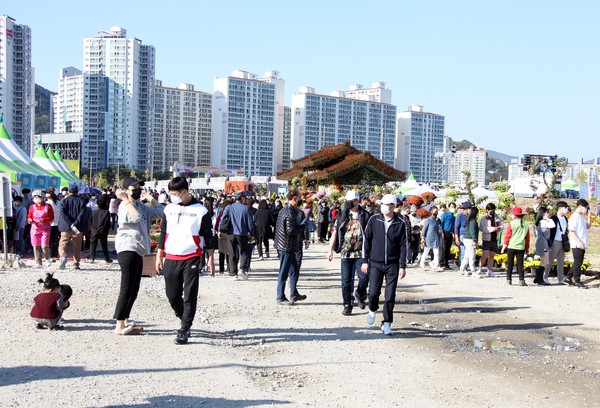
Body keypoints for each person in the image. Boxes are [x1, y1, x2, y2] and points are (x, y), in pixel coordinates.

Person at [155, 177, 212, 345]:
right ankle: (183, 316)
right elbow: (164, 232)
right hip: (172, 256)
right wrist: (159, 255)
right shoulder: (169, 209)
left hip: (192, 256)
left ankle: (185, 328)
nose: (172, 196)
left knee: (190, 295)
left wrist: (210, 259)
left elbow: (208, 236)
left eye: (175, 193)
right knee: (172, 295)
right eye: (171, 193)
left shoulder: (201, 211)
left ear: (185, 191)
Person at [113, 177, 163, 335]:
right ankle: (119, 325)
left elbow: (161, 213)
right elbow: (134, 218)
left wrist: (151, 199)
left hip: (138, 250)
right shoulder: (124, 206)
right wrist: (125, 199)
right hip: (127, 249)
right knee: (126, 288)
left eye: (138, 187)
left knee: (134, 289)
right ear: (126, 190)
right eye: (133, 187)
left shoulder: (141, 205)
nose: (137, 190)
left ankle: (126, 320)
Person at [362, 194, 407, 336]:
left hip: (392, 265)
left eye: (388, 204)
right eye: (383, 204)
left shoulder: (400, 223)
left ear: (394, 206)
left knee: (390, 295)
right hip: (375, 263)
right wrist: (364, 261)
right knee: (373, 292)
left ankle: (387, 322)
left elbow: (403, 246)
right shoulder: (374, 219)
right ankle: (372, 309)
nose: (384, 207)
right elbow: (366, 240)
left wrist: (402, 266)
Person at [328, 190, 371, 316]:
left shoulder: (366, 215)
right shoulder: (342, 215)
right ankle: (347, 304)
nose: (348, 203)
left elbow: (370, 235)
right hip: (346, 253)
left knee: (364, 277)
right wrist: (329, 250)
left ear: (357, 201)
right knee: (346, 280)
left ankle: (359, 293)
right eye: (347, 201)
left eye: (350, 201)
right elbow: (335, 232)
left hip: (360, 253)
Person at [274, 189, 305, 305]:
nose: (300, 199)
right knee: (284, 271)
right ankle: (280, 296)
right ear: (295, 198)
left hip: (286, 245)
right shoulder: (289, 212)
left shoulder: (284, 210)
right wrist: (302, 227)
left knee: (294, 270)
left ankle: (294, 293)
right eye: (299, 197)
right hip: (286, 245)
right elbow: (290, 230)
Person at [219, 191, 254, 280]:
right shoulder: (246, 208)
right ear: (242, 198)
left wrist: (220, 230)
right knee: (244, 251)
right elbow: (250, 223)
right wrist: (252, 234)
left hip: (231, 233)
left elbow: (222, 219)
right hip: (242, 233)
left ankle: (233, 273)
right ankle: (242, 269)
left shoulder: (229, 207)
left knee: (232, 253)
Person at [58, 186, 86, 270]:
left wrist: (70, 222)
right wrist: (75, 223)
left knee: (62, 244)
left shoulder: (64, 201)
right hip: (77, 228)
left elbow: (63, 212)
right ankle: (76, 263)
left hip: (66, 227)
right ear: (77, 191)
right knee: (77, 246)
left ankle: (63, 256)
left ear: (68, 191)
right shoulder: (82, 201)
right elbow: (82, 214)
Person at [566, 199, 591, 288]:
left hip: (583, 242)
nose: (586, 209)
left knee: (578, 262)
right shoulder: (574, 217)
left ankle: (568, 277)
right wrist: (579, 242)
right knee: (578, 263)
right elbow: (572, 231)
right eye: (585, 208)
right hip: (577, 243)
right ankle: (577, 280)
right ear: (580, 206)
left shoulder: (581, 216)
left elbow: (588, 226)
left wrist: (588, 216)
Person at [502, 207, 530, 286]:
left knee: (510, 264)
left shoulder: (512, 223)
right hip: (521, 247)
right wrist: (527, 247)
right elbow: (527, 238)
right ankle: (521, 280)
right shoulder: (526, 224)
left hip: (511, 246)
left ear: (515, 215)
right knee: (520, 264)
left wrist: (505, 244)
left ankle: (509, 279)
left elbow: (508, 235)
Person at [27, 190, 54, 269]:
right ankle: (38, 262)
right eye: (35, 197)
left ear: (42, 198)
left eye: (38, 197)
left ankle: (47, 258)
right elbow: (29, 216)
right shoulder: (32, 207)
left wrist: (44, 220)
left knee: (44, 245)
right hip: (35, 229)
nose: (36, 198)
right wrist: (29, 220)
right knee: (36, 246)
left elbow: (52, 217)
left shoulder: (48, 206)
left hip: (45, 228)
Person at [532, 206, 555, 286]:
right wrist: (548, 219)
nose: (548, 214)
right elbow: (552, 225)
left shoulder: (539, 222)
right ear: (543, 213)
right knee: (545, 261)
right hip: (543, 242)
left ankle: (538, 277)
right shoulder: (543, 222)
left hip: (541, 242)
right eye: (547, 212)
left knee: (544, 261)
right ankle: (539, 278)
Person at [547, 201, 569, 284]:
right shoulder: (554, 218)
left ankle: (560, 279)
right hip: (555, 241)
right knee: (550, 260)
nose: (566, 209)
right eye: (565, 207)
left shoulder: (565, 218)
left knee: (561, 262)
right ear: (560, 208)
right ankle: (545, 277)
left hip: (562, 241)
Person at [478, 203, 503, 277]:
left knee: (492, 255)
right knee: (485, 255)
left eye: (493, 210)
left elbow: (502, 225)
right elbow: (482, 228)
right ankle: (480, 268)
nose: (492, 211)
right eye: (491, 210)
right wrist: (492, 229)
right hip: (486, 239)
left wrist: (499, 228)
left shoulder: (497, 217)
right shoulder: (484, 218)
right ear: (487, 210)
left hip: (495, 239)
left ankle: (490, 270)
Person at [89, 193, 112, 263]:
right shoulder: (106, 212)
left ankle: (92, 258)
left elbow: (90, 222)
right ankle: (107, 258)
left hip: (94, 231)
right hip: (103, 231)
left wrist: (93, 230)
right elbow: (106, 223)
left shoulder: (93, 212)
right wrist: (102, 229)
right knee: (104, 245)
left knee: (93, 244)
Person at [420, 206, 443, 272]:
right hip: (429, 238)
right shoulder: (428, 220)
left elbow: (439, 228)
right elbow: (424, 230)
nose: (436, 212)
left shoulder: (438, 220)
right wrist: (423, 238)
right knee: (426, 252)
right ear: (431, 212)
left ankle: (436, 266)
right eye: (435, 211)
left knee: (436, 253)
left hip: (436, 238)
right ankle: (422, 264)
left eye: (437, 211)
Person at [459, 207, 480, 277]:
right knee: (471, 256)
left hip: (466, 239)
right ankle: (473, 271)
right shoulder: (473, 221)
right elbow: (473, 231)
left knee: (467, 256)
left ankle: (461, 269)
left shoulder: (469, 220)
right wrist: (474, 240)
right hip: (470, 239)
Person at [203, 197, 218, 276]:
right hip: (211, 233)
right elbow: (215, 223)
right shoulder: (213, 213)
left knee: (203, 250)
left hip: (202, 233)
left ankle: (203, 265)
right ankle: (209, 261)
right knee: (210, 249)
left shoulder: (202, 211)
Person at [440, 202, 456, 269]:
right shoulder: (445, 214)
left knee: (448, 249)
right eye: (452, 207)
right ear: (449, 207)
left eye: (454, 207)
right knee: (444, 249)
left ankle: (446, 263)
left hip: (450, 233)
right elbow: (441, 224)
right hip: (445, 232)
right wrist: (442, 233)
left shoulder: (453, 216)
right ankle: (441, 263)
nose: (453, 208)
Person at [45, 191, 60, 261]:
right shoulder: (59, 203)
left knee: (47, 241)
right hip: (57, 224)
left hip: (49, 223)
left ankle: (47, 256)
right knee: (54, 241)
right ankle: (54, 255)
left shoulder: (47, 204)